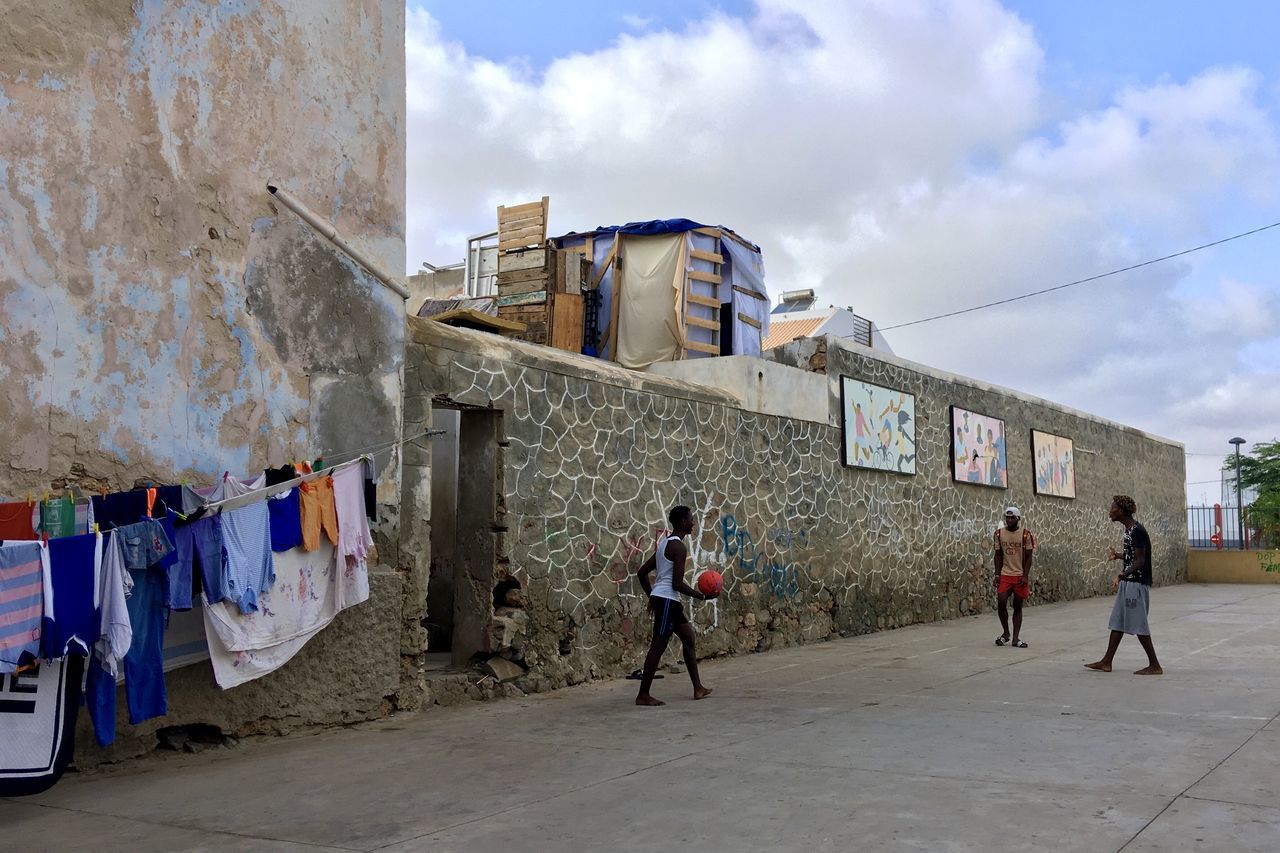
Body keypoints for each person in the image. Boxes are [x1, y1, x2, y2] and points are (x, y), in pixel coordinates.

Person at [635, 506, 719, 706]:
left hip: (666, 600)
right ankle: (643, 695)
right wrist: (701, 596)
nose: (693, 523)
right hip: (668, 600)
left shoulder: (664, 544)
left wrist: (652, 596)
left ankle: (698, 688)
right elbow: (677, 583)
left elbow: (642, 572)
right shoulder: (679, 548)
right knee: (658, 645)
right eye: (691, 519)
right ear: (682, 522)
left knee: (688, 638)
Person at [1086, 495, 1163, 675]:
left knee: (1139, 624)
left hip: (1135, 584)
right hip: (1129, 582)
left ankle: (1155, 665)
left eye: (1112, 507)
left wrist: (1122, 574)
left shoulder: (1137, 531)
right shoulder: (1129, 530)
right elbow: (1133, 556)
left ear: (1121, 510)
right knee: (1118, 622)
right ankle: (1106, 661)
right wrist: (1120, 556)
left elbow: (1141, 560)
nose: (1110, 510)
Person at [993, 507, 1035, 647]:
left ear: (1018, 519)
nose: (1009, 520)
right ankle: (1006, 633)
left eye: (1012, 518)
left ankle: (1016, 638)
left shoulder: (1025, 534)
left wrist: (1025, 575)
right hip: (1005, 574)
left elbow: (1029, 557)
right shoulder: (999, 534)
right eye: (1007, 518)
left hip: (1019, 575)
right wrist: (997, 574)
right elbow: (998, 555)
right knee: (1001, 601)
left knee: (1018, 606)